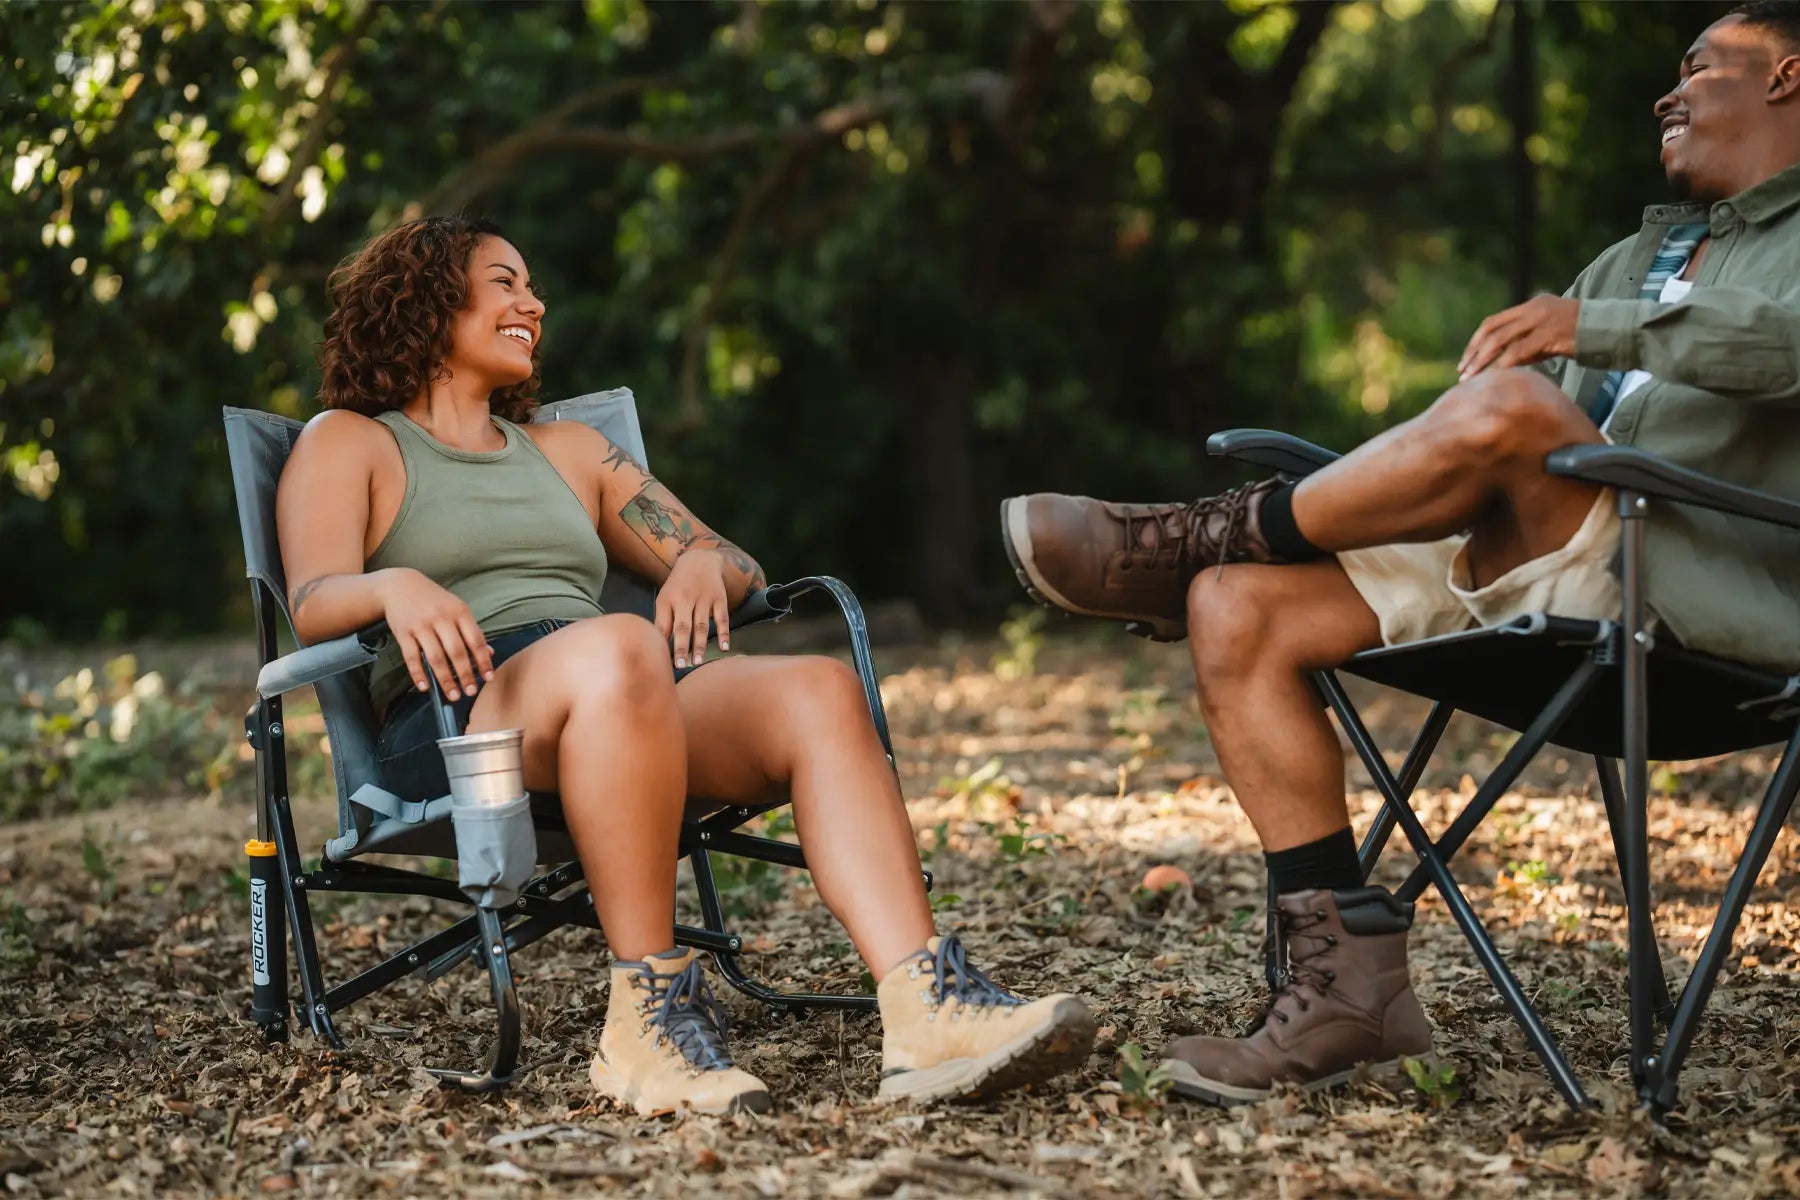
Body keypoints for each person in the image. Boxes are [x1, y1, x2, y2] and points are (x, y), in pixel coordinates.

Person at [1000, 1, 1800, 1106]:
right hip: (1544, 564)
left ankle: (1185, 537)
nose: (1670, 92)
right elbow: (1496, 427)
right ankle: (1348, 999)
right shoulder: (1640, 252)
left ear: (1786, 76)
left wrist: (1588, 328)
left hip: (1688, 603)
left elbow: (1781, 347)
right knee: (1237, 605)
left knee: (1513, 407)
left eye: (1701, 67)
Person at [277, 215, 1095, 1117]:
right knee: (624, 648)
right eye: (504, 282)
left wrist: (703, 562)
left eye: (531, 285)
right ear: (429, 299)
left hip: (614, 695)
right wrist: (395, 585)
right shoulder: (348, 441)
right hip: (458, 717)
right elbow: (314, 596)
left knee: (814, 691)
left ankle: (925, 1007)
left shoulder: (574, 452)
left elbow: (730, 560)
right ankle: (646, 1019)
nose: (532, 303)